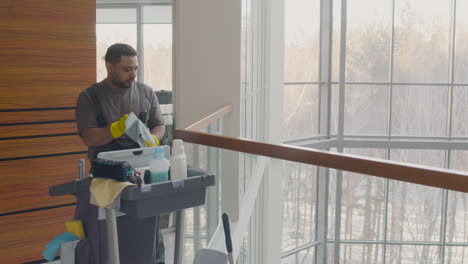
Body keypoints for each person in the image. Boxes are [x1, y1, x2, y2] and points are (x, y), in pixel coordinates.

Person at [74, 43, 165, 264]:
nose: (133, 74)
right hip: (106, 179)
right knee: (107, 237)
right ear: (109, 66)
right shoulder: (89, 97)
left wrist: (154, 138)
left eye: (135, 68)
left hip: (142, 175)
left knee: (146, 237)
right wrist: (114, 129)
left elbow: (159, 125)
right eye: (127, 69)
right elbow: (89, 137)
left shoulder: (146, 92)